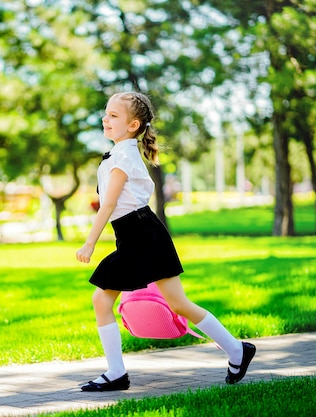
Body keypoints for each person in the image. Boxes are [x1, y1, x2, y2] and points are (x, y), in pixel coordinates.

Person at [75, 91, 256, 392]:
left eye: (114, 115)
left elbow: (107, 206)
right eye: (106, 113)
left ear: (133, 125)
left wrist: (89, 244)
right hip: (139, 235)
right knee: (175, 303)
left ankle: (118, 373)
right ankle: (236, 349)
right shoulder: (120, 153)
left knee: (118, 300)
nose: (106, 119)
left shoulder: (123, 156)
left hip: (142, 236)